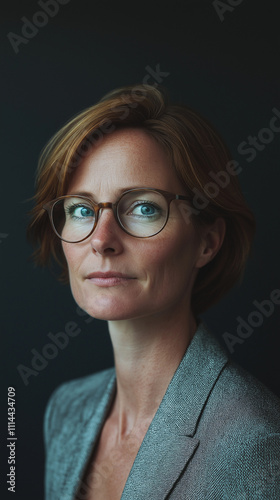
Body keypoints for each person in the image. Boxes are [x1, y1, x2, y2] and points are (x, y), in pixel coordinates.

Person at [27, 84, 280, 500]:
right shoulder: (65, 410)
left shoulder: (256, 446)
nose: (102, 240)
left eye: (143, 207)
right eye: (81, 209)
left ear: (207, 242)